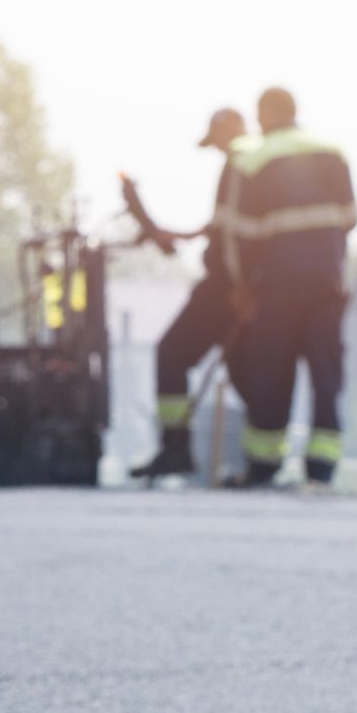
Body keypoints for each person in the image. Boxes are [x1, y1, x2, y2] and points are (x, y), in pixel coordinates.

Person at [223, 87, 356, 488]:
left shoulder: (252, 159)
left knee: (271, 372)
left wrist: (242, 285)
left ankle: (264, 464)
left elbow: (240, 233)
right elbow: (350, 217)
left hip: (278, 284)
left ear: (263, 114)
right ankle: (322, 468)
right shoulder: (333, 152)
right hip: (328, 281)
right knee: (326, 373)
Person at [126, 107, 253, 481]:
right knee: (245, 371)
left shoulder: (240, 163)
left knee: (172, 353)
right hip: (237, 284)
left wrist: (238, 283)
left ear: (230, 130)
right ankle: (262, 462)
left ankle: (177, 448)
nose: (216, 149)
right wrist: (179, 236)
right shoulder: (245, 165)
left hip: (226, 287)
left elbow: (234, 234)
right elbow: (222, 226)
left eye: (217, 140)